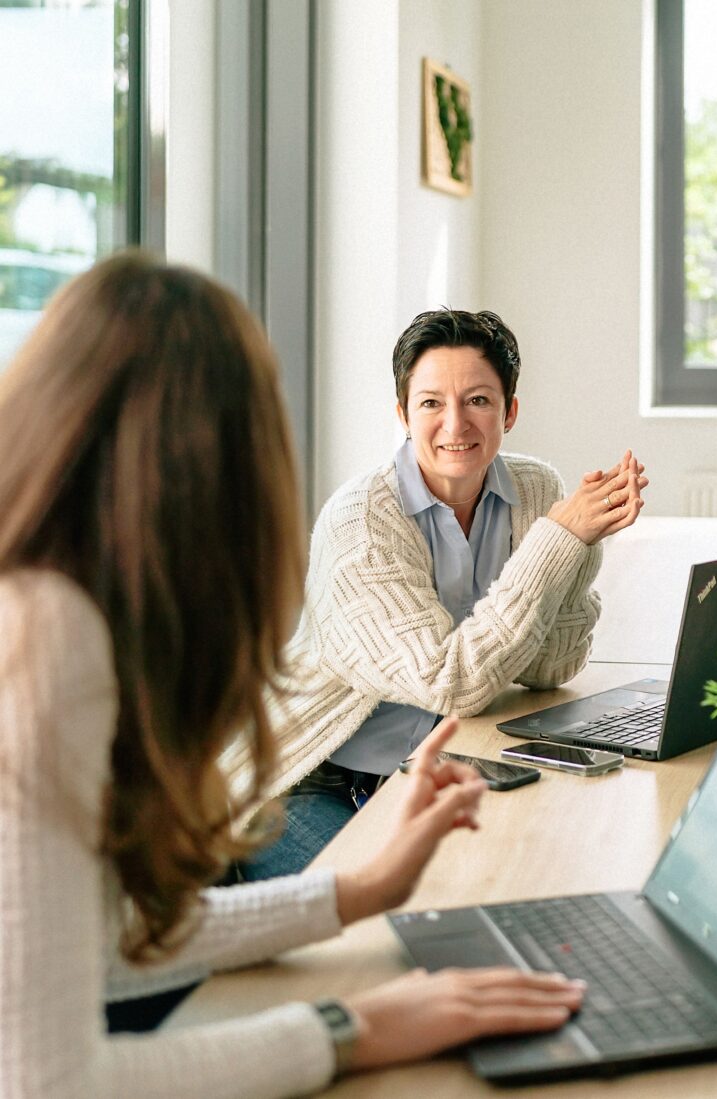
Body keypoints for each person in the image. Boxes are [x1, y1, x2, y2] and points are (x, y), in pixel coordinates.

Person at [0, 253, 586, 1097]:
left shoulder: (66, 603)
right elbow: (46, 1081)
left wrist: (357, 890)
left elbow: (108, 935)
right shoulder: (47, 639)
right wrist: (350, 1029)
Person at [237, 308, 647, 879]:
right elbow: (450, 683)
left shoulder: (535, 489)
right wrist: (559, 539)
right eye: (431, 403)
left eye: (477, 400)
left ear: (510, 411)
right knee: (398, 913)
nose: (455, 425)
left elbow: (552, 667)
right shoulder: (362, 522)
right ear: (403, 414)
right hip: (315, 785)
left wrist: (578, 546)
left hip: (438, 773)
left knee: (557, 865)